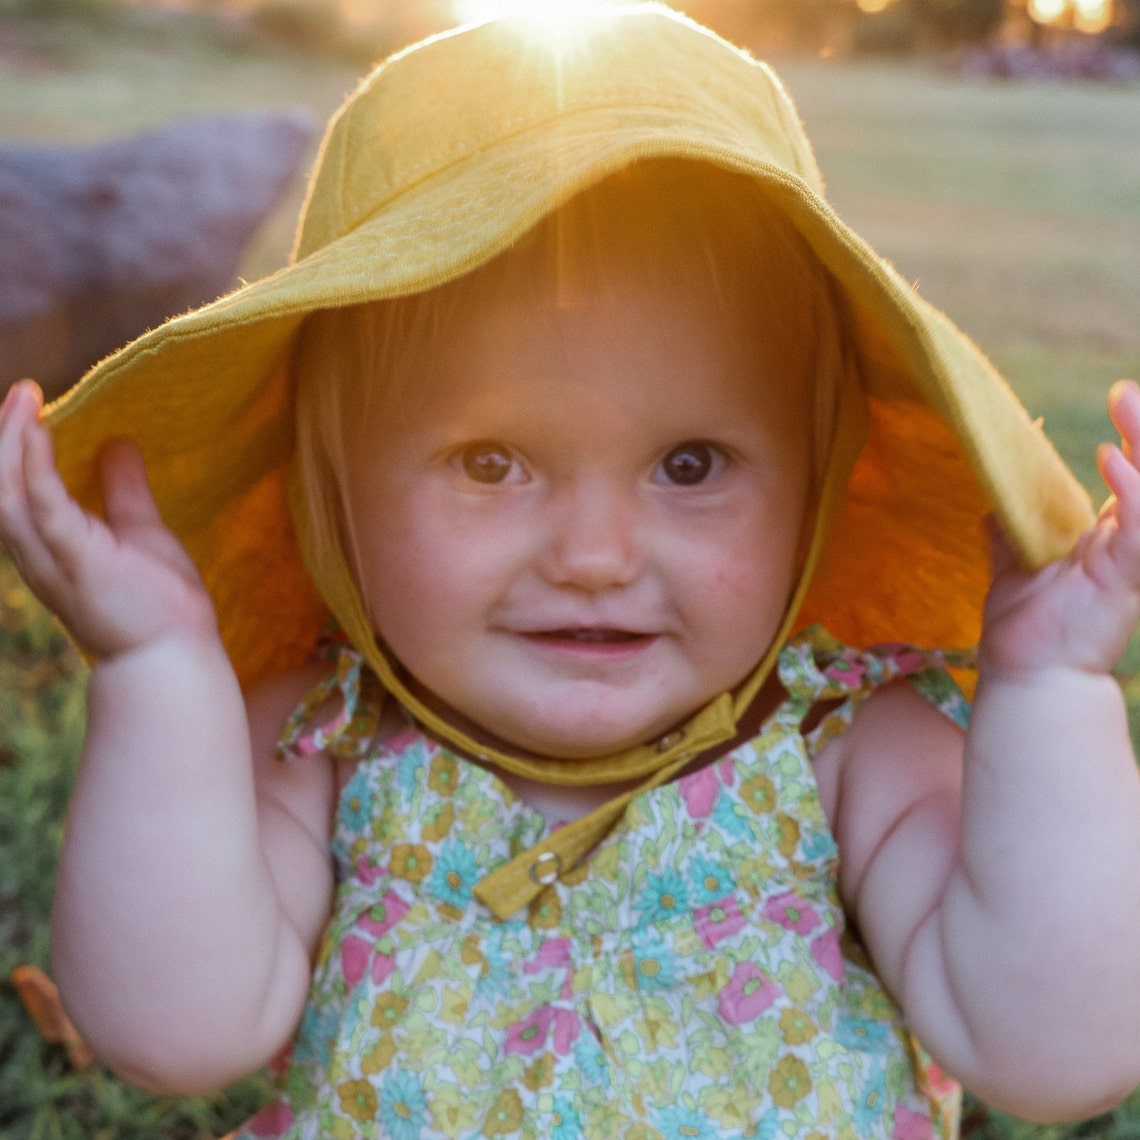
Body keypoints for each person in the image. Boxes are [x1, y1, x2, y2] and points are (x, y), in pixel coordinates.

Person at [2, 5, 1139, 1138]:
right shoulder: (323, 744)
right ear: (331, 492)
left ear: (818, 489)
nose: (594, 558)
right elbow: (171, 1033)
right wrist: (156, 671)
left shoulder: (848, 748)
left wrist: (1050, 692)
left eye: (690, 465)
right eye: (489, 463)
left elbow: (1054, 1055)